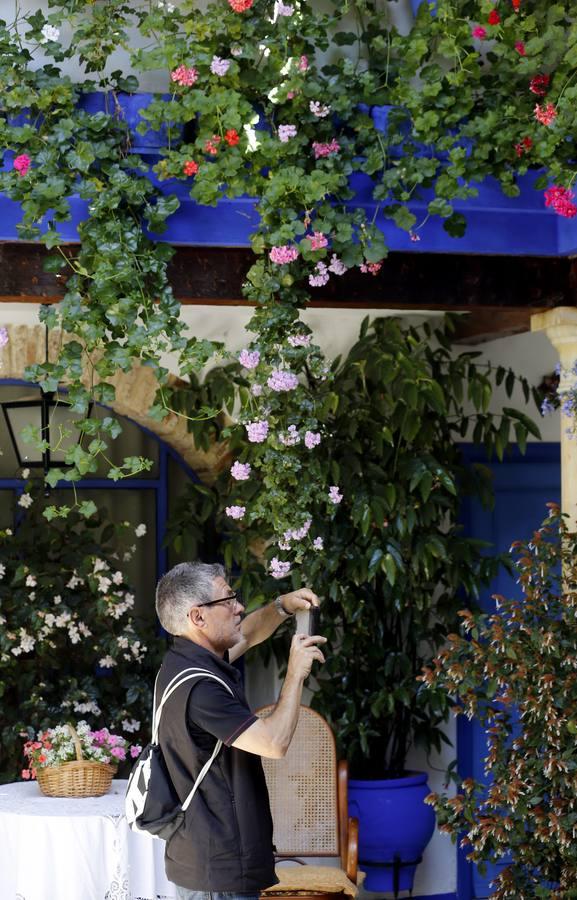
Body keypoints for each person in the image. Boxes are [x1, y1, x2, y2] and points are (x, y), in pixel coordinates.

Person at [154, 560, 326, 900]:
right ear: (198, 617)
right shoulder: (201, 688)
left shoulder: (188, 661)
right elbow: (273, 743)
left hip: (207, 860)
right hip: (217, 871)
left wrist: (282, 607)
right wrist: (295, 673)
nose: (239, 607)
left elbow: (246, 632)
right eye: (228, 600)